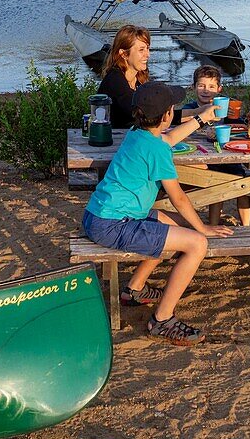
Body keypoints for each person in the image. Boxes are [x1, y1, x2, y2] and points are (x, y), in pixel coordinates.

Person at [84, 81, 232, 345]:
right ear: (167, 115)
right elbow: (178, 197)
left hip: (99, 215)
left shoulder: (137, 134)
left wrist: (201, 118)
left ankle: (134, 289)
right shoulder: (157, 150)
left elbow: (170, 138)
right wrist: (204, 228)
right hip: (113, 224)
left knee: (169, 224)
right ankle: (162, 319)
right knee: (196, 243)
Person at [176, 64, 250, 226]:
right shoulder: (190, 109)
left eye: (211, 86)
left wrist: (230, 124)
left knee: (243, 185)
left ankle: (247, 226)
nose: (206, 90)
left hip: (227, 156)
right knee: (216, 187)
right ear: (194, 87)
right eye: (201, 85)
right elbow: (179, 126)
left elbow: (243, 128)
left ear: (219, 89)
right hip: (203, 157)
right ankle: (213, 224)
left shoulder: (226, 107)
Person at [97, 24, 152, 129]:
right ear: (124, 54)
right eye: (141, 50)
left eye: (147, 48)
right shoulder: (115, 80)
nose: (147, 54)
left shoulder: (139, 79)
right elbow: (142, 113)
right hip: (114, 141)